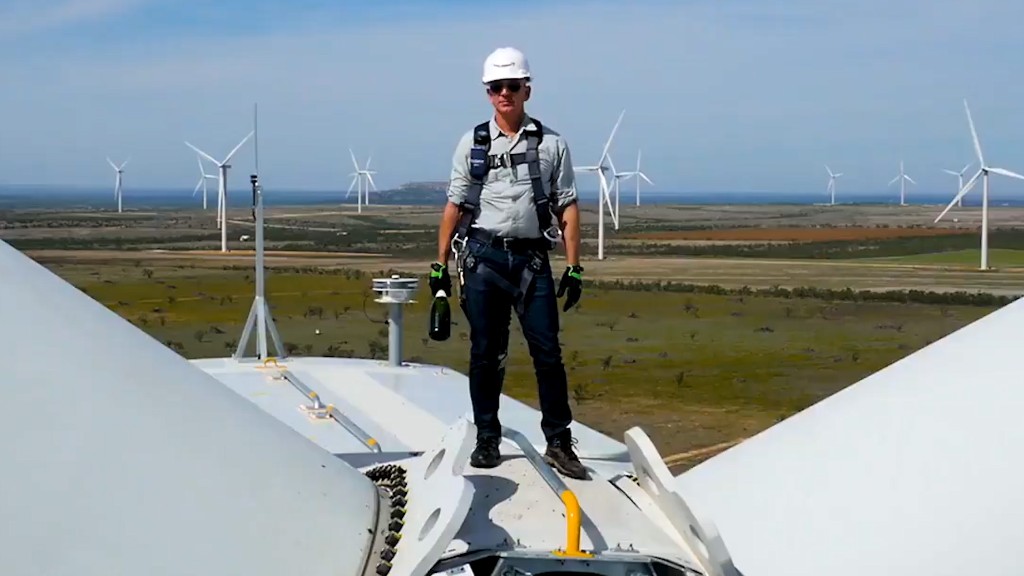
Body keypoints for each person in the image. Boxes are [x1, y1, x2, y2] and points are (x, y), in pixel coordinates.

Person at [430, 46, 586, 480]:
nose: (503, 93)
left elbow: (567, 206)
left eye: (511, 86)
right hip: (483, 259)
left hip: (532, 261)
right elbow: (455, 204)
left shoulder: (552, 144)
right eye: (495, 87)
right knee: (485, 354)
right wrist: (439, 265)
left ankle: (558, 441)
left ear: (527, 89)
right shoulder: (472, 143)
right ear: (488, 92)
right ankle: (487, 437)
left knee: (547, 353)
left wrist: (575, 267)